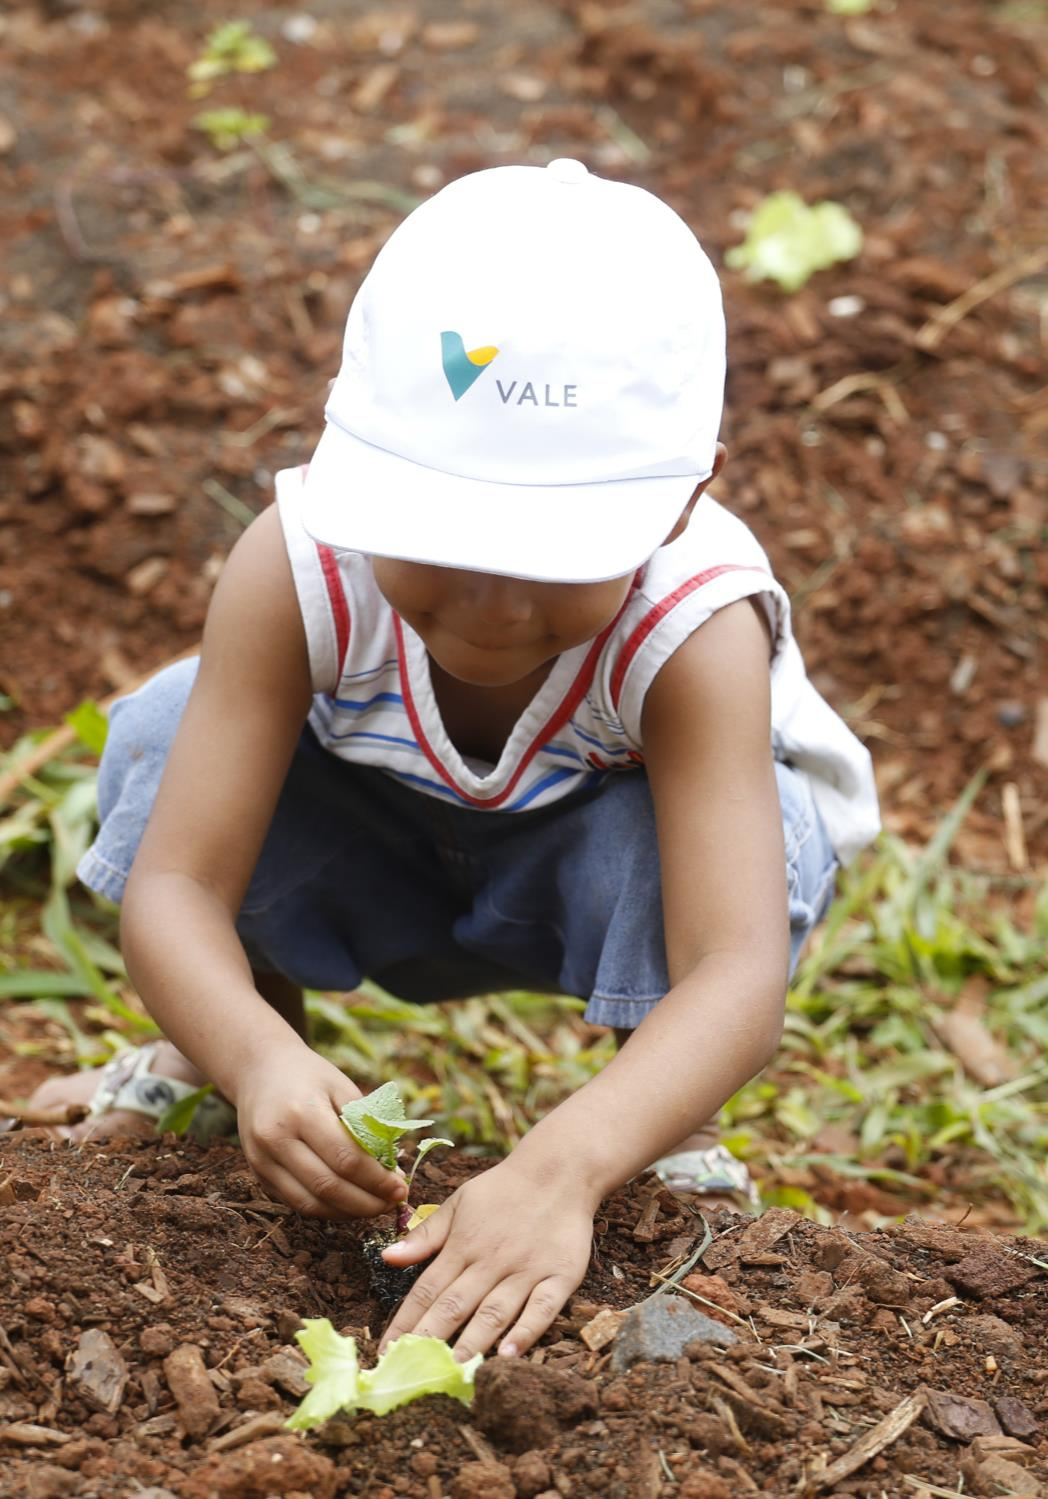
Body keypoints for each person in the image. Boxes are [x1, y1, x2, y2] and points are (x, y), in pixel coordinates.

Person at [31, 161, 880, 1362]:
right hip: (371, 843)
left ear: (686, 498)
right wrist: (256, 1054)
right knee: (168, 732)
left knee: (756, 841)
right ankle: (222, 1054)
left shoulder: (691, 633)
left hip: (583, 867)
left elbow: (736, 968)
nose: (488, 599)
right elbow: (178, 884)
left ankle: (651, 1121)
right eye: (441, 529)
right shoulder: (302, 565)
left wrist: (558, 1168)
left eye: (548, 549)